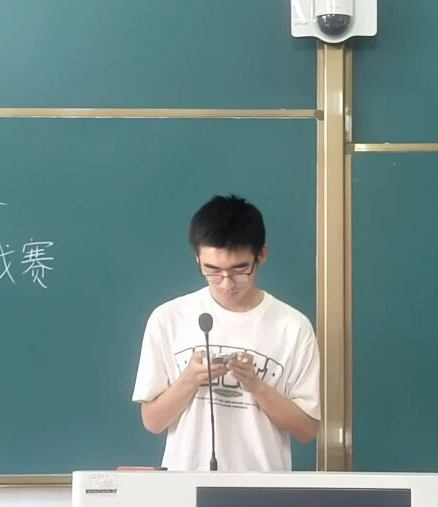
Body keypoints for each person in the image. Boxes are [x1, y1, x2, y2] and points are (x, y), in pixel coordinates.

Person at [133, 194, 320, 471]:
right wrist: (189, 379)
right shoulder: (168, 318)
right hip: (184, 484)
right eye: (212, 270)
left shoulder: (293, 327)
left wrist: (257, 386)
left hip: (263, 487)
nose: (226, 283)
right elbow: (152, 421)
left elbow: (307, 430)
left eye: (240, 270)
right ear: (197, 258)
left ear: (261, 255)